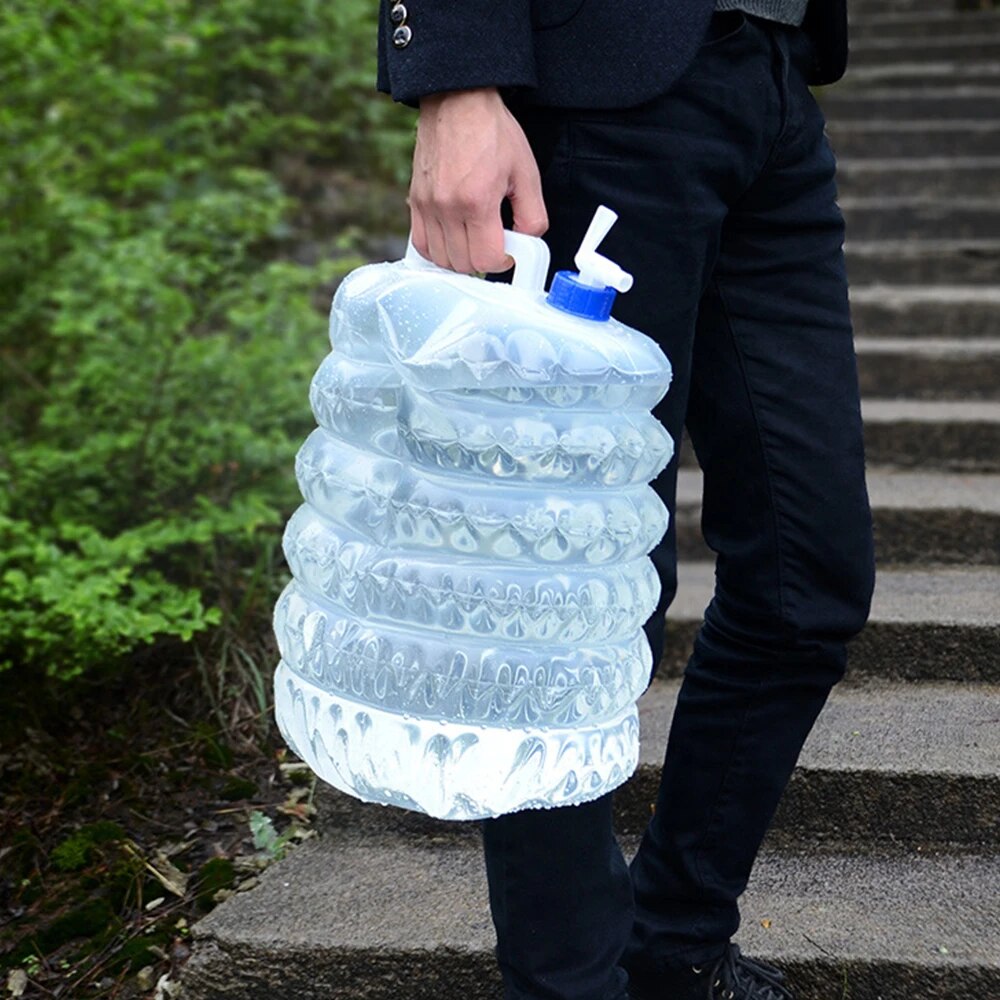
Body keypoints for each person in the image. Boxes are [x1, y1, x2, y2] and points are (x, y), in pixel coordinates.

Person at [376, 1, 876, 998]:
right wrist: (456, 75)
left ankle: (672, 942)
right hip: (598, 82)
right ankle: (569, 983)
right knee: (569, 595)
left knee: (807, 577)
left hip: (773, 85)